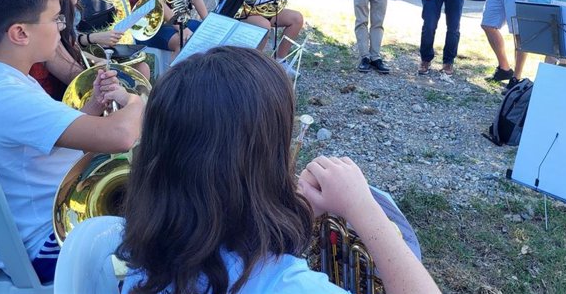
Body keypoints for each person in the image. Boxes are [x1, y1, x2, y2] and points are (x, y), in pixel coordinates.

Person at [117, 46, 440, 294]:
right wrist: (364, 209)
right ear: (263, 154)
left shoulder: (138, 256)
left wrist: (289, 215)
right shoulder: (290, 286)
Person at [0, 0, 144, 284]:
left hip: (49, 220)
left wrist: (94, 106)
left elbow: (51, 142)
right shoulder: (6, 93)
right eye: (54, 19)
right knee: (186, 224)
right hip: (49, 241)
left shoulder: (11, 79)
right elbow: (120, 136)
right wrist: (137, 100)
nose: (62, 28)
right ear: (20, 33)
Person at [20, 0, 150, 96]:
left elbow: (72, 49)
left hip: (65, 95)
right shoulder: (43, 26)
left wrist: (96, 62)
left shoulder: (55, 15)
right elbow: (76, 78)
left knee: (140, 72)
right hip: (57, 104)